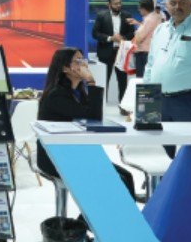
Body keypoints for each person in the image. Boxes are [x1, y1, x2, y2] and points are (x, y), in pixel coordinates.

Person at [35, 47, 135, 198]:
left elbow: (94, 118)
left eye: (83, 60)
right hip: (56, 156)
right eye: (78, 61)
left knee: (126, 176)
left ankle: (125, 213)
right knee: (116, 180)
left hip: (75, 151)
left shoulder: (77, 92)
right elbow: (93, 116)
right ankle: (105, 212)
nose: (84, 65)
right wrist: (91, 81)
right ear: (65, 68)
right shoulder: (56, 95)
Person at [92, 0, 135, 101]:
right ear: (109, 4)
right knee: (104, 81)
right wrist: (111, 38)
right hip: (105, 53)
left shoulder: (127, 15)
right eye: (115, 4)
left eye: (120, 3)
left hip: (121, 53)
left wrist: (123, 38)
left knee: (123, 82)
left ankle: (123, 106)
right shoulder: (101, 16)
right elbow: (95, 33)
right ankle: (102, 106)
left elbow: (132, 33)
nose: (118, 6)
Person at [132, 0, 162, 78]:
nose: (138, 10)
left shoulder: (148, 19)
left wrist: (136, 33)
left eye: (139, 8)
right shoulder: (157, 16)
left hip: (144, 53)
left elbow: (139, 38)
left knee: (141, 78)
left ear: (143, 8)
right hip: (153, 51)